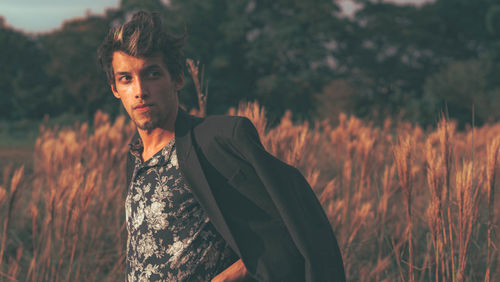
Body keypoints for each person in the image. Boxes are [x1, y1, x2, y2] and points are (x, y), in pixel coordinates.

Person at [98, 10, 345, 282]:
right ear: (114, 88)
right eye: (126, 79)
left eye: (152, 74)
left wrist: (228, 276)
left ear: (177, 79)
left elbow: (292, 227)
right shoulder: (135, 158)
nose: (140, 90)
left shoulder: (217, 141)